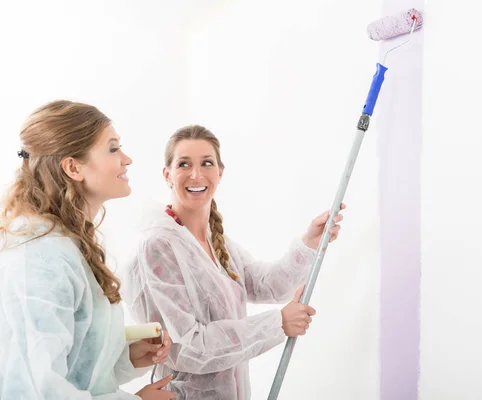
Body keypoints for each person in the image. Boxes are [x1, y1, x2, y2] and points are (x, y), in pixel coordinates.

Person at [120, 124, 345, 399]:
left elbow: (268, 285)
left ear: (220, 173)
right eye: (184, 164)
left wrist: (310, 241)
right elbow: (186, 348)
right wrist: (277, 324)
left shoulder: (217, 242)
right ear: (167, 175)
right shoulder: (158, 248)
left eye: (206, 163)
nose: (196, 174)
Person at [0, 100, 176, 399]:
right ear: (73, 167)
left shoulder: (68, 246)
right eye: (112, 148)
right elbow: (34, 392)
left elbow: (74, 365)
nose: (127, 159)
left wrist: (123, 357)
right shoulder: (40, 259)